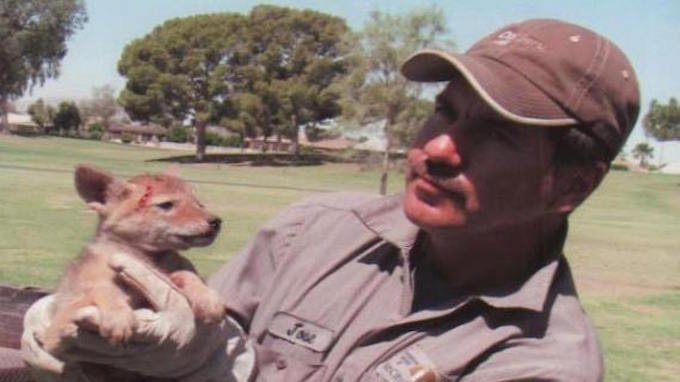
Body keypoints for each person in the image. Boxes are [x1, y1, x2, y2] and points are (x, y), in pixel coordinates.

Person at [22, 18, 639, 382]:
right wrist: (84, 316)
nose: (440, 147)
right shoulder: (314, 230)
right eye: (444, 112)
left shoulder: (540, 363)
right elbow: (202, 329)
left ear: (572, 184)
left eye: (498, 134)